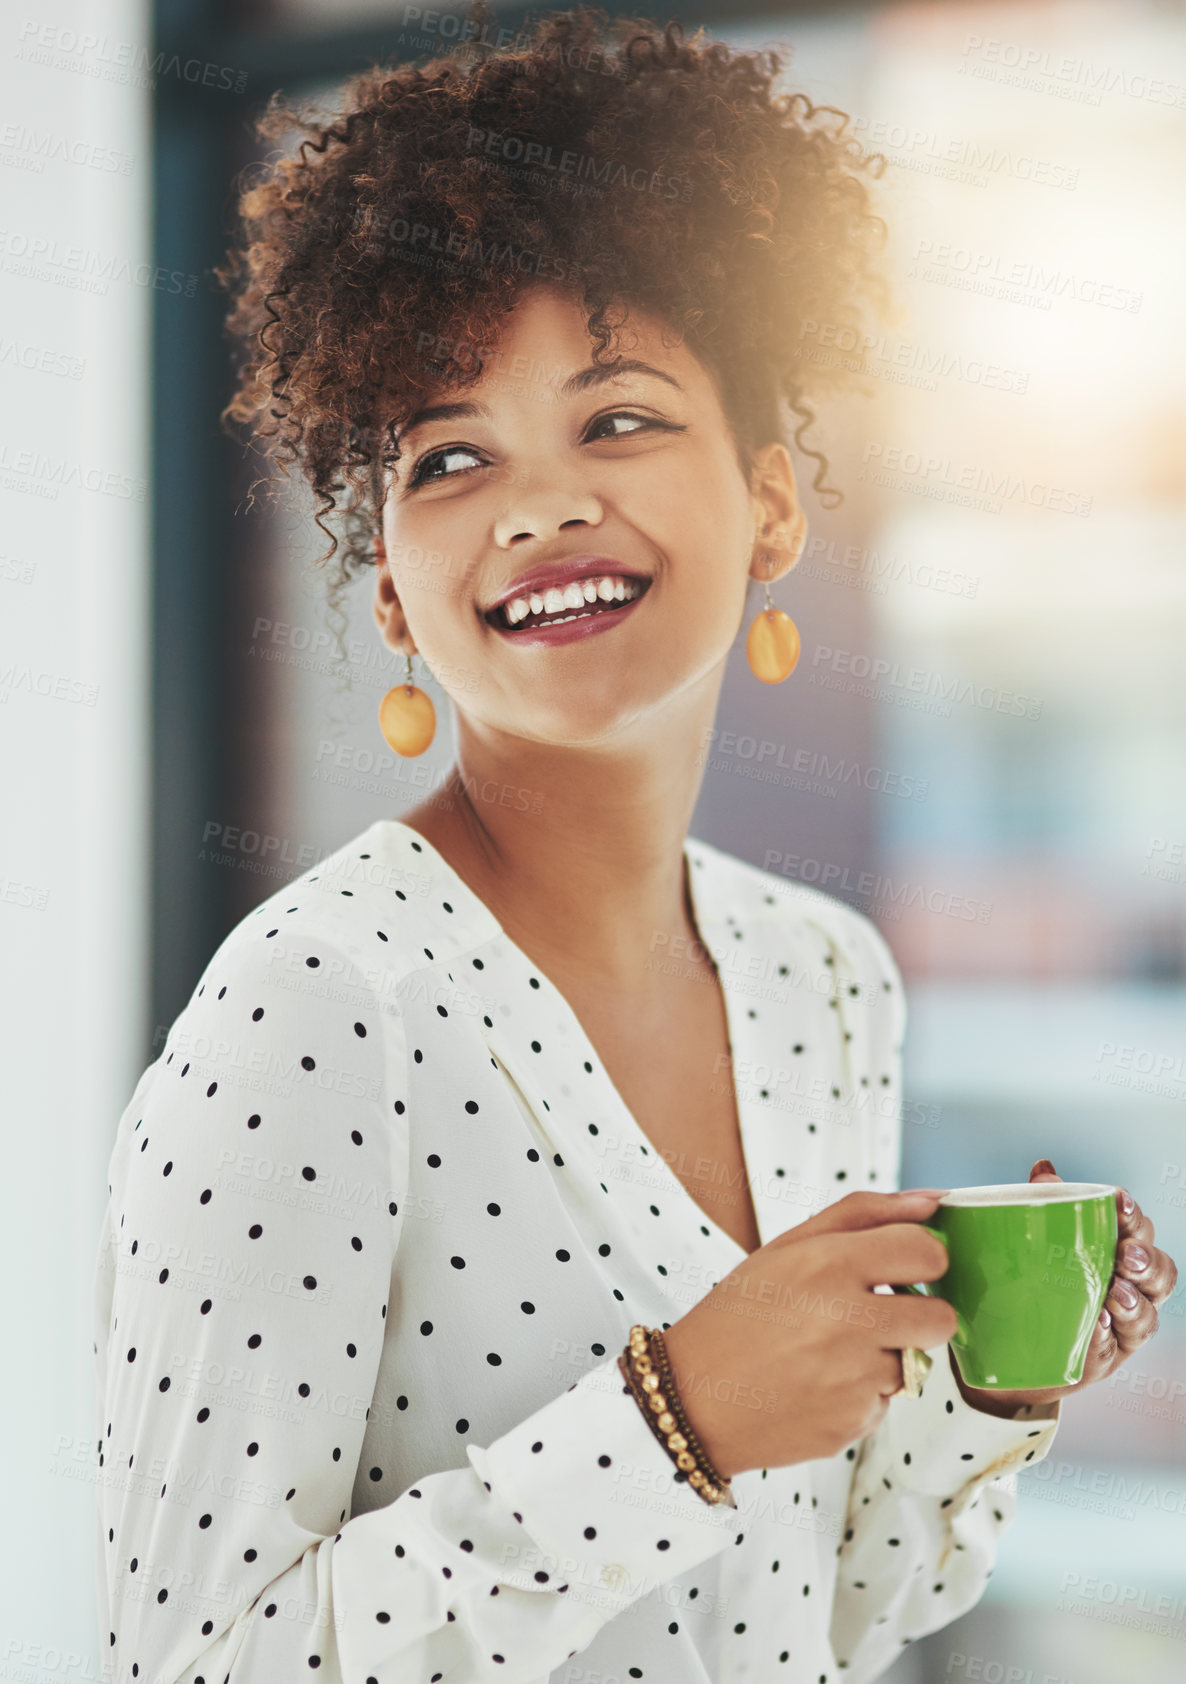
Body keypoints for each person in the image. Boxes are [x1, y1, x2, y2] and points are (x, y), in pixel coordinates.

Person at [91, 8, 1177, 1682]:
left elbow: (828, 1606)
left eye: (615, 421)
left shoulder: (825, 977)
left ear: (771, 505)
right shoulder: (317, 1008)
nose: (535, 507)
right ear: (388, 581)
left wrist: (988, 1392)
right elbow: (190, 1658)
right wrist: (671, 1427)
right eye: (450, 458)